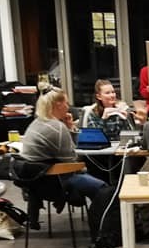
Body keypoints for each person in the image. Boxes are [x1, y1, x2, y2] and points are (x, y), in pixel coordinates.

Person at [20, 87, 109, 226]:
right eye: (66, 103)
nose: (68, 107)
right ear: (58, 105)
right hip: (56, 182)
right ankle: (102, 226)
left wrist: (69, 127)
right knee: (103, 188)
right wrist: (84, 169)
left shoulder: (37, 123)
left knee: (88, 174)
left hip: (36, 181)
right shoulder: (57, 127)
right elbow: (71, 161)